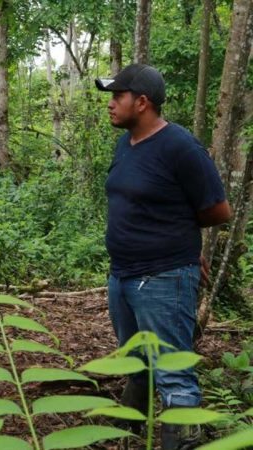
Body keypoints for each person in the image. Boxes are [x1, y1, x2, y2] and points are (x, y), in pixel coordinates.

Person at [96, 64, 232, 449]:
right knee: (136, 362)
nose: (110, 104)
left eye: (116, 96)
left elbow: (218, 211)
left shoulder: (181, 147)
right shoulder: (127, 143)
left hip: (164, 277)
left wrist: (182, 249)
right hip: (122, 275)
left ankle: (182, 441)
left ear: (142, 103)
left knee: (173, 372)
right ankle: (129, 436)